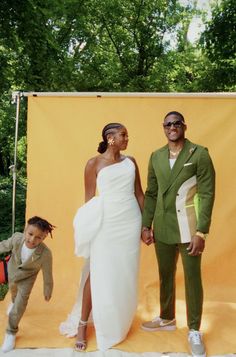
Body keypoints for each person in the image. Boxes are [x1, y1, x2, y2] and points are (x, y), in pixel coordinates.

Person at [60, 122, 144, 351]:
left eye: (127, 134)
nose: (127, 138)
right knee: (96, 271)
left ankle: (116, 321)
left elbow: (139, 194)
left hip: (130, 222)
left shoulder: (131, 162)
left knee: (124, 273)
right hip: (106, 223)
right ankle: (81, 325)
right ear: (110, 138)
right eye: (123, 135)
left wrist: (146, 226)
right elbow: (89, 200)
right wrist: (89, 228)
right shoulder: (93, 164)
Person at [141, 111, 215, 357]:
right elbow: (151, 193)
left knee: (193, 280)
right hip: (162, 227)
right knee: (165, 275)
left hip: (188, 228)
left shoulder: (199, 154)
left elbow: (206, 195)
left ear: (184, 126)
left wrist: (201, 232)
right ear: (163, 128)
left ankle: (194, 329)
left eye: (176, 123)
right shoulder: (156, 156)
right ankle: (166, 317)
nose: (172, 127)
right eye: (167, 124)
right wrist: (146, 224)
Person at [0, 216, 54, 353]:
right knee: (13, 292)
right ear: (25, 230)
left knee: (20, 304)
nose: (32, 240)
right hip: (13, 273)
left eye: (38, 237)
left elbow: (48, 274)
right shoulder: (17, 239)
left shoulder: (45, 253)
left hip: (27, 279)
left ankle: (11, 332)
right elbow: (4, 245)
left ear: (44, 238)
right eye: (30, 234)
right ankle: (12, 301)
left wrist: (48, 289)